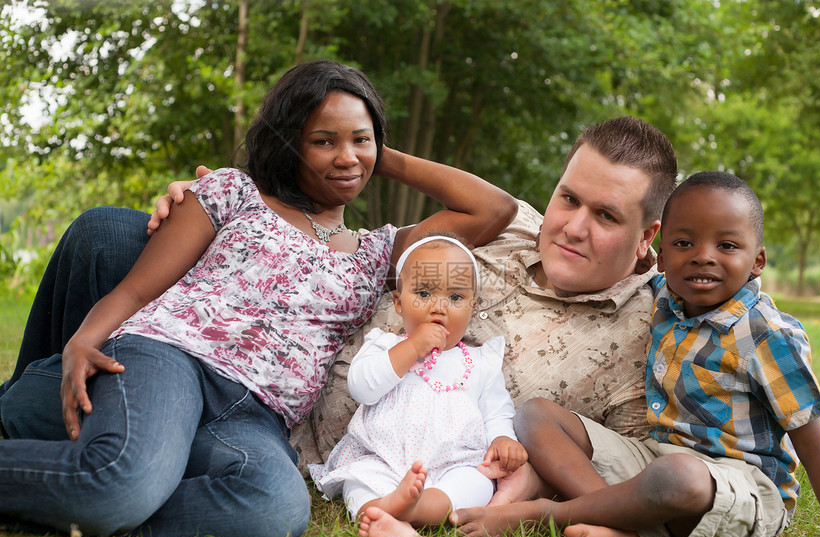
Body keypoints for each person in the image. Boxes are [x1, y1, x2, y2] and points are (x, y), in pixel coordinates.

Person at [2, 116, 677, 504]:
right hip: (244, 323)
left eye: (607, 216)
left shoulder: (646, 337)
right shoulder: (514, 226)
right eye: (569, 199)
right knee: (106, 233)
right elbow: (493, 205)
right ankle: (45, 401)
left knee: (209, 480)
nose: (572, 227)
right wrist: (366, 152)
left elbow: (653, 455)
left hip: (278, 413)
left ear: (648, 237)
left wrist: (618, 519)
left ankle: (102, 451)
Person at [0, 60, 517, 537]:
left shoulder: (379, 252)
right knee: (122, 482)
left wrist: (378, 152)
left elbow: (494, 209)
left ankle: (114, 488)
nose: (346, 157)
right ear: (289, 145)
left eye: (360, 139)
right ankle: (118, 486)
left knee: (274, 510)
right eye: (323, 141)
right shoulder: (234, 192)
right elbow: (138, 290)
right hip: (171, 359)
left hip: (255, 416)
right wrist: (83, 339)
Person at [451, 172, 820, 537]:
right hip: (654, 458)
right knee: (535, 415)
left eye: (727, 245)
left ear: (758, 261)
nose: (703, 255)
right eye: (684, 243)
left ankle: (547, 514)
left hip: (741, 483)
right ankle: (619, 525)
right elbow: (624, 260)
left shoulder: (766, 334)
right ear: (661, 257)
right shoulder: (665, 297)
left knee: (680, 477)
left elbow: (814, 443)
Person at [309, 235, 526, 537]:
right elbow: (362, 388)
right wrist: (411, 347)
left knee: (476, 483)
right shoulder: (385, 346)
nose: (439, 306)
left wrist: (504, 439)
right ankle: (382, 510)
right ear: (399, 303)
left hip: (454, 462)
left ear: (472, 307)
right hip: (382, 457)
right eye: (423, 293)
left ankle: (412, 509)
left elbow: (497, 411)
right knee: (360, 480)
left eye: (455, 297)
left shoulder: (480, 363)